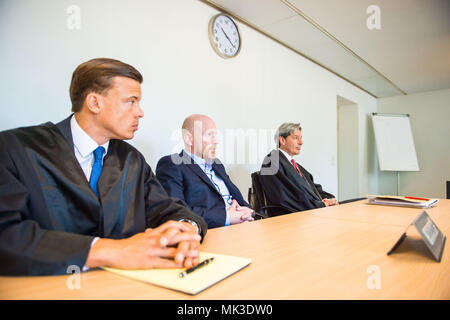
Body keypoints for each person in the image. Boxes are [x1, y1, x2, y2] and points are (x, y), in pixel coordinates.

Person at [0, 58, 207, 276]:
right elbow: (6, 234)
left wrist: (185, 231)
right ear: (94, 103)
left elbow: (169, 210)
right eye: (131, 101)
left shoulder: (132, 160)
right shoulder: (15, 149)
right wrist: (111, 251)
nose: (140, 112)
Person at [156, 114, 254, 229]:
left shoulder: (217, 164)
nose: (216, 141)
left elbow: (238, 200)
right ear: (189, 138)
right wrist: (226, 217)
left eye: (216, 135)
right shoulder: (172, 164)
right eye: (209, 135)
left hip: (243, 226)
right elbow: (176, 212)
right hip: (212, 233)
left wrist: (248, 211)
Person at [259, 122, 338, 215]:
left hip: (310, 211)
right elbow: (284, 198)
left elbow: (313, 189)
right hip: (292, 218)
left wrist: (329, 199)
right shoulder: (271, 161)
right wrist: (319, 205)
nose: (301, 142)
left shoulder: (295, 166)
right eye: (296, 138)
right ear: (282, 140)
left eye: (301, 138)